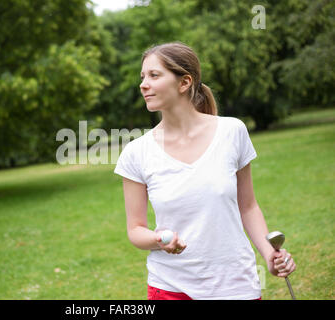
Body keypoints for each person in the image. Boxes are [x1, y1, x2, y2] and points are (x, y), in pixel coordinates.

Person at [113, 41, 296, 300]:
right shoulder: (136, 153)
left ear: (184, 82)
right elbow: (136, 229)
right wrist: (160, 240)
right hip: (170, 288)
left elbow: (248, 206)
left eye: (154, 75)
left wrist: (269, 254)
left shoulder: (232, 131)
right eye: (142, 77)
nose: (143, 84)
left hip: (236, 285)